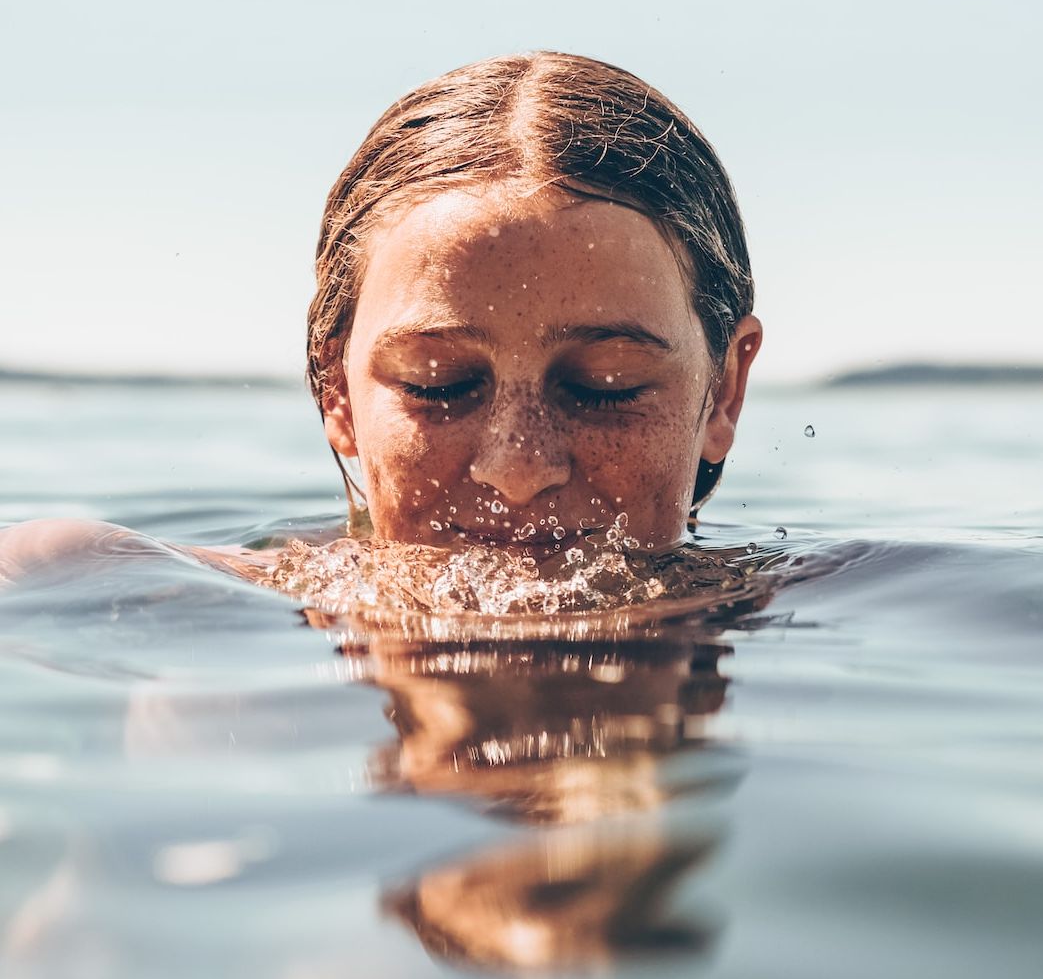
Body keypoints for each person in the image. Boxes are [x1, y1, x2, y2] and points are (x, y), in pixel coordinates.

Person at [0, 51, 761, 587]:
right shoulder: (145, 598)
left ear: (723, 392)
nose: (518, 468)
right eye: (440, 383)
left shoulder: (831, 611)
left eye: (604, 385)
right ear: (337, 394)